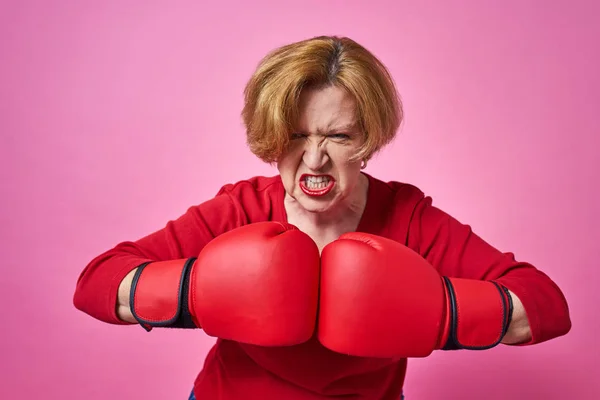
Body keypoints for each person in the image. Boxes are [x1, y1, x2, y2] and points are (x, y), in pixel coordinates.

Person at [73, 35, 572, 400]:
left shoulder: (408, 217)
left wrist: (436, 313)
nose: (314, 160)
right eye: (295, 135)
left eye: (337, 136)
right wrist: (199, 291)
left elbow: (545, 304)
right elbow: (97, 282)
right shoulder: (241, 209)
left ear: (368, 140)